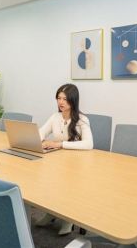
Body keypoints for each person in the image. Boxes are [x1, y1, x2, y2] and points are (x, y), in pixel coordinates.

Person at [36, 83, 93, 235]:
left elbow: (89, 144)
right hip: (58, 161)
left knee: (67, 182)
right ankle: (51, 213)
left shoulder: (82, 119)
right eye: (59, 98)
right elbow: (41, 133)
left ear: (73, 100)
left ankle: (68, 219)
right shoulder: (55, 117)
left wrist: (59, 144)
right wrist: (38, 140)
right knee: (48, 178)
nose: (61, 102)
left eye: (65, 99)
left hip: (78, 164)